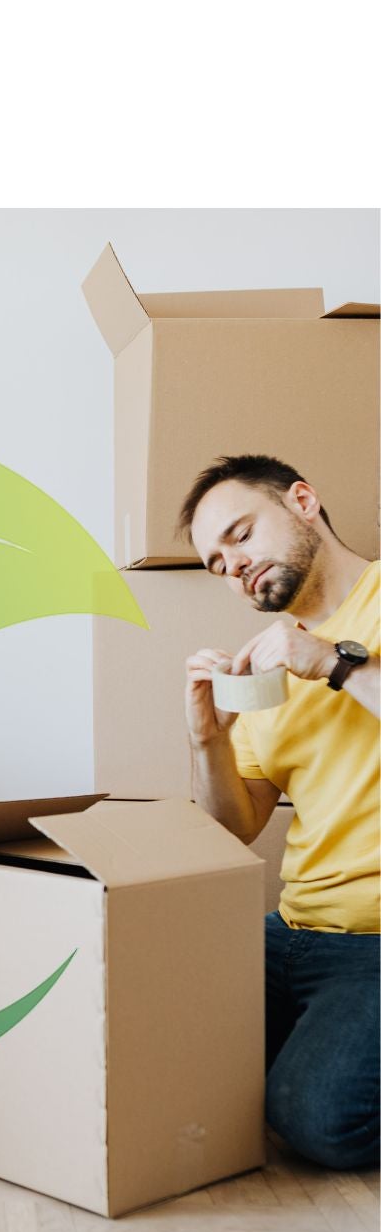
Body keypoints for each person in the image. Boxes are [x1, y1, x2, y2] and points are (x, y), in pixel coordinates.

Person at [178, 453, 379, 1170]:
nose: (233, 566)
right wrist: (208, 742)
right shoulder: (268, 668)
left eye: (240, 535)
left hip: (375, 941)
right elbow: (235, 827)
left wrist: (332, 662)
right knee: (148, 1038)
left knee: (321, 1121)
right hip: (291, 929)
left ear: (302, 500)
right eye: (216, 564)